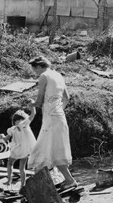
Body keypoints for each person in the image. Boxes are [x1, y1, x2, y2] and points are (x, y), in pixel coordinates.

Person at [27, 55, 77, 190]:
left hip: (51, 119)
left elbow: (39, 101)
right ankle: (41, 183)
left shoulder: (43, 76)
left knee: (48, 150)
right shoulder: (58, 75)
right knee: (48, 149)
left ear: (38, 66)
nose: (35, 73)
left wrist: (31, 105)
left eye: (34, 70)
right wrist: (57, 110)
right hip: (59, 117)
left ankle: (69, 180)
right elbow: (67, 98)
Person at [0, 103, 37, 192]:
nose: (20, 122)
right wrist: (33, 107)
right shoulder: (24, 125)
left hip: (16, 149)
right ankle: (22, 185)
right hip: (25, 150)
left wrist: (2, 136)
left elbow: (5, 139)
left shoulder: (14, 128)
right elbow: (33, 114)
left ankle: (9, 180)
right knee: (21, 168)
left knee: (10, 163)